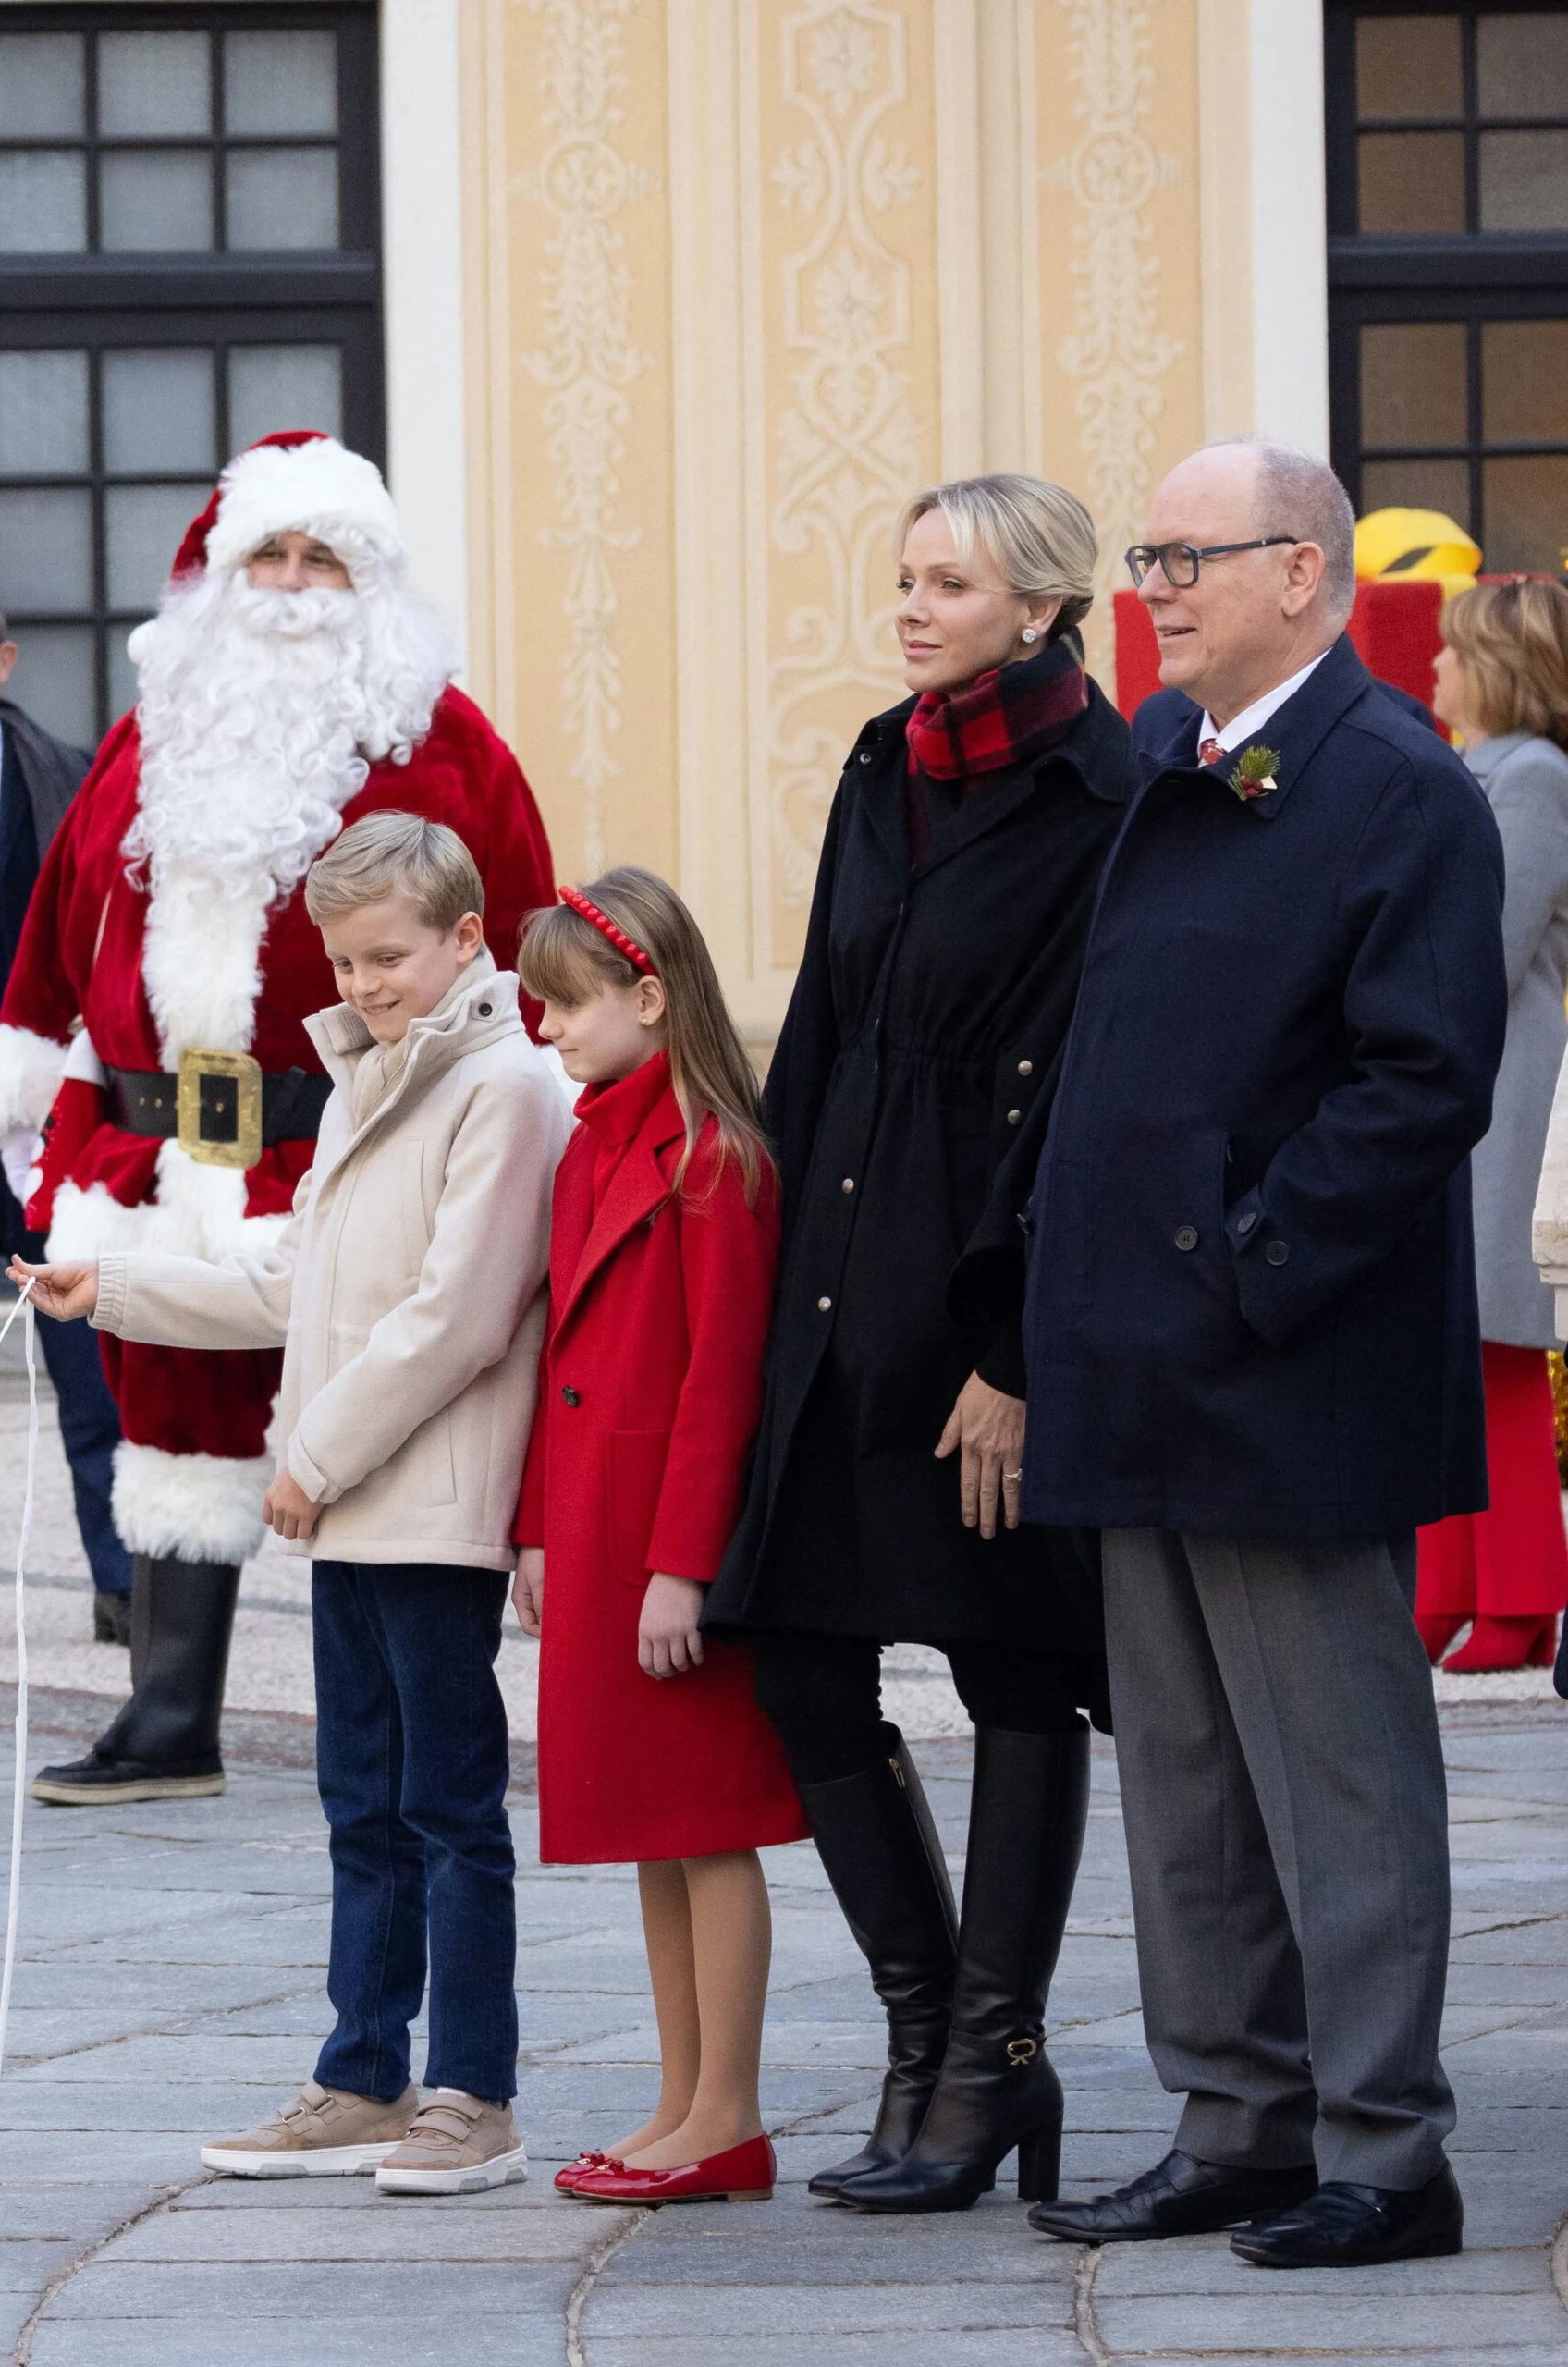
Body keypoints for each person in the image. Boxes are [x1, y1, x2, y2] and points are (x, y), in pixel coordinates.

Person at [1023, 441, 1506, 2269]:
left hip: (1277, 1361)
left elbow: (1417, 1081)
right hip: (1137, 1353)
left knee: (1339, 1776)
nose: (1149, 581)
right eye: (1143, 553)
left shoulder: (1394, 789)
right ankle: (1231, 2116)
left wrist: (1250, 1260)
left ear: (1297, 570)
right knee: (1185, 1773)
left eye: (1181, 554)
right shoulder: (1167, 755)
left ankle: (1384, 2147)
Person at [0, 432, 557, 1803]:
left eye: (323, 558)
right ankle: (171, 1713)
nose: (293, 587)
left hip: (347, 1136)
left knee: (379, 1406)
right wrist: (37, 1068)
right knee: (167, 1404)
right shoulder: (148, 736)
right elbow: (62, 925)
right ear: (217, 576)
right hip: (157, 1136)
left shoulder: (447, 741)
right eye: (270, 557)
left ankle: (405, 1727)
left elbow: (520, 929)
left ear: (372, 583)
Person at [15, 811, 570, 2192]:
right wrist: (119, 1286)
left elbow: (461, 1319)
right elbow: (291, 1287)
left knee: (448, 1807)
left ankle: (473, 2095)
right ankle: (360, 2075)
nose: (364, 983)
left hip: (425, 1507)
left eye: (390, 956)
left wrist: (310, 1457)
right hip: (351, 1508)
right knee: (357, 1803)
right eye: (342, 959)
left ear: (465, 939)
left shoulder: (507, 1088)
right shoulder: (373, 1076)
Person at [703, 474, 1138, 2214]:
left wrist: (1017, 1349)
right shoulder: (886, 757)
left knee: (1010, 1662)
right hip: (834, 1259)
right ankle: (919, 2031)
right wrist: (755, 1268)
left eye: (946, 584)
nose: (911, 607)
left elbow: (1090, 1093)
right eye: (902, 579)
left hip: (977, 1283)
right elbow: (818, 1011)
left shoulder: (1111, 792)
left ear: (1039, 608)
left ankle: (995, 2063)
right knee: (799, 1647)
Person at [511, 868, 808, 2207]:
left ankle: (727, 2113)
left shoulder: (714, 1164)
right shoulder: (591, 1145)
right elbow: (555, 1355)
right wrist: (537, 1534)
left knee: (704, 1824)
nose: (549, 1031)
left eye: (566, 1006)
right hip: (593, 1531)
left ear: (647, 995)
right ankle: (679, 2099)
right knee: (649, 1828)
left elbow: (721, 1384)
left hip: (664, 1553)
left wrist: (681, 1564)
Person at [0, 572, 131, 1653]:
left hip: (49, 1129)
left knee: (91, 1358)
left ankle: (126, 1584)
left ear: (4, 661)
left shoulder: (73, 778)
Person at [1415, 580, 1568, 1671]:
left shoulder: (1533, 778)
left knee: (1498, 1354)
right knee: (1447, 1352)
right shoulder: (1481, 770)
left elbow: (1490, 946)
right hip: (1459, 1088)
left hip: (1507, 1093)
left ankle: (1516, 1594)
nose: (1433, 671)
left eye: (1451, 655)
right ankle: (1451, 1588)